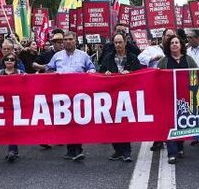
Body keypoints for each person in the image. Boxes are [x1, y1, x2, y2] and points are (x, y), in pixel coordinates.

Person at [45, 30, 96, 161]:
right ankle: (71, 149)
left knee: (77, 121)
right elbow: (48, 69)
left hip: (78, 95)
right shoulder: (57, 56)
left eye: (70, 39)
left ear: (75, 41)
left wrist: (89, 73)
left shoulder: (84, 55)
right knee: (67, 121)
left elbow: (92, 68)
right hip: (62, 96)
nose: (67, 42)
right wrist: (52, 73)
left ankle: (77, 149)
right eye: (65, 39)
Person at [156, 34, 198, 164]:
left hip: (185, 97)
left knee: (182, 123)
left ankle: (180, 146)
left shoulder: (189, 60)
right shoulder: (164, 61)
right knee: (170, 124)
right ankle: (172, 153)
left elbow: (197, 74)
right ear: (168, 46)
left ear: (181, 45)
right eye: (172, 43)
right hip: (168, 97)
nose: (174, 44)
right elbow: (157, 77)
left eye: (176, 42)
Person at [100, 32, 143, 163]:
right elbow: (100, 72)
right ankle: (118, 150)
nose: (118, 45)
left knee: (125, 123)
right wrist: (105, 73)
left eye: (120, 42)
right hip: (112, 95)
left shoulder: (132, 58)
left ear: (125, 43)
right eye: (116, 42)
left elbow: (140, 73)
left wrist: (130, 73)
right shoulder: (108, 58)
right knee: (112, 123)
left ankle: (126, 151)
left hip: (127, 96)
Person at [0, 53, 24, 162]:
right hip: (3, 103)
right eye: (7, 59)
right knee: (8, 126)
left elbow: (30, 82)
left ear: (15, 62)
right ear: (3, 61)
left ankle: (12, 150)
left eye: (12, 59)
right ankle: (13, 149)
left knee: (12, 126)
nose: (9, 61)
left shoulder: (20, 72)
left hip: (17, 103)